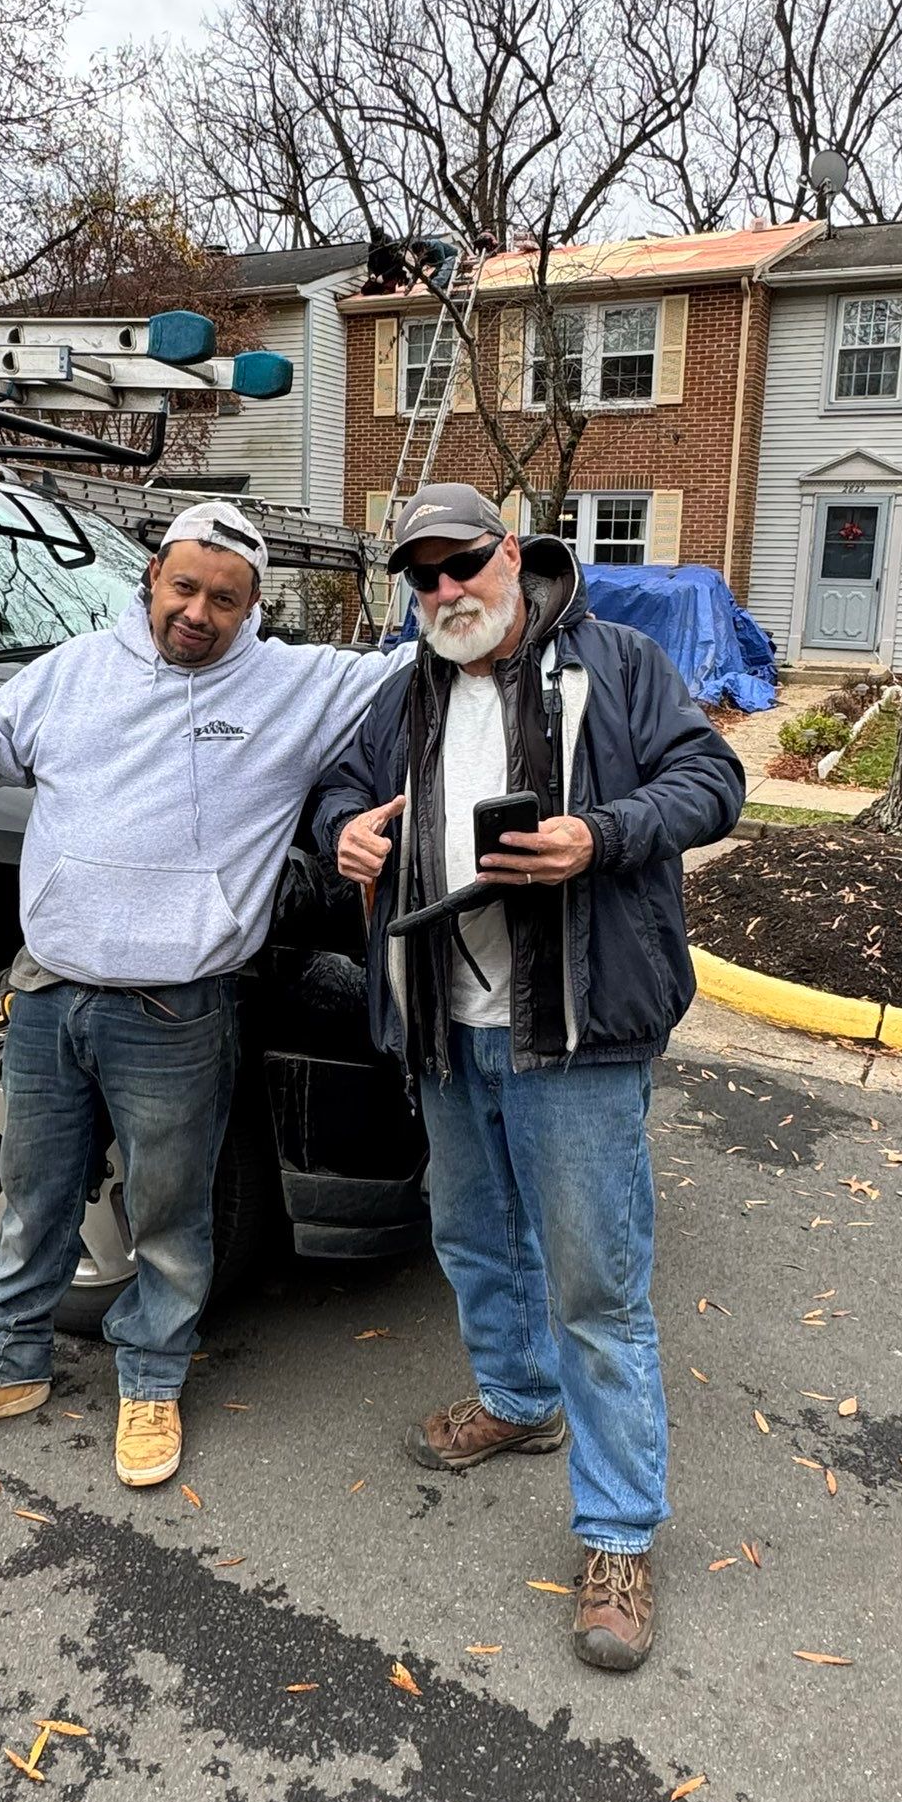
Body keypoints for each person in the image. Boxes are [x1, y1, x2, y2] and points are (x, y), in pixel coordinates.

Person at [0, 500, 391, 1490]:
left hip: (177, 1010)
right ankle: (6, 1364)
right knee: (33, 1190)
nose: (199, 612)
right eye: (184, 587)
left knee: (170, 1211)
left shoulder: (295, 688)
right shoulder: (73, 671)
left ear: (253, 608)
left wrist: (516, 590)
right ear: (152, 577)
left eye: (225, 599)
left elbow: (435, 662)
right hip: (52, 988)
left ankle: (150, 1378)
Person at [315, 483, 742, 1671]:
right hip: (447, 1021)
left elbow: (712, 784)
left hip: (580, 1025)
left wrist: (598, 835)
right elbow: (338, 797)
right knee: (473, 1237)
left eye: (461, 564)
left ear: (512, 553)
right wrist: (343, 835)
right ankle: (515, 1400)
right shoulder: (406, 691)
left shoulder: (620, 662)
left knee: (597, 1286)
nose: (445, 591)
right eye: (423, 577)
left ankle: (615, 1536)